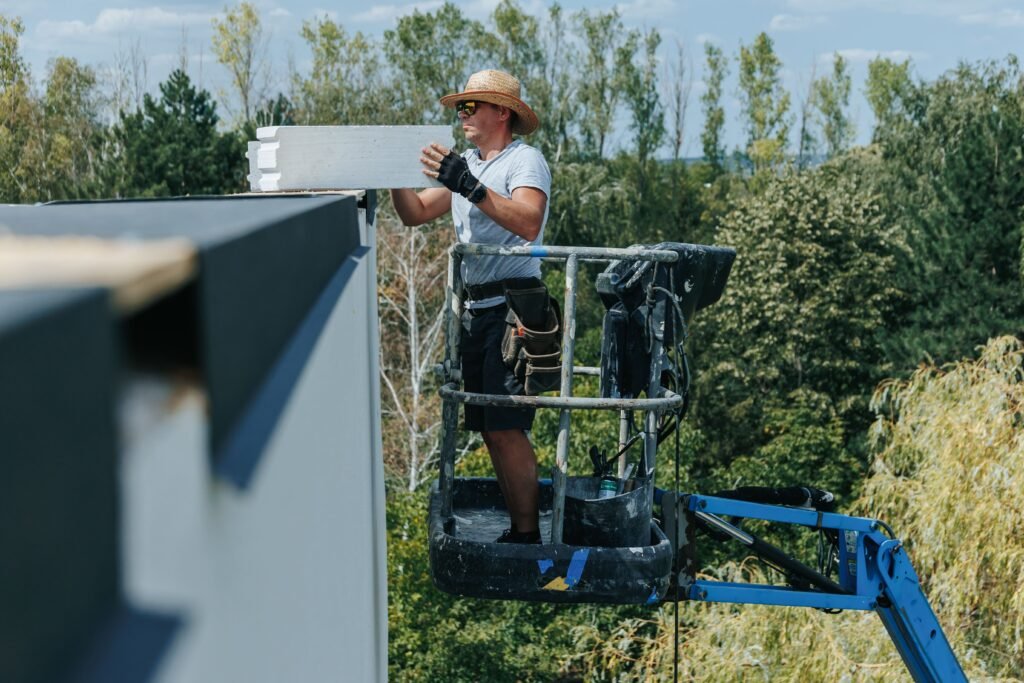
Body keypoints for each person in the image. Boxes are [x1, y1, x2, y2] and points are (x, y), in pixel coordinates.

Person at [391, 69, 551, 544]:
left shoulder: (525, 162)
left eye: (470, 107)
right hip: (479, 310)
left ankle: (527, 535)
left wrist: (470, 186)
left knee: (506, 427)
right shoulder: (471, 166)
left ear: (501, 112)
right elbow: (415, 213)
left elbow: (527, 221)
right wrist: (392, 174)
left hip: (515, 309)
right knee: (488, 428)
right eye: (460, 108)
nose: (461, 116)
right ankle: (519, 529)